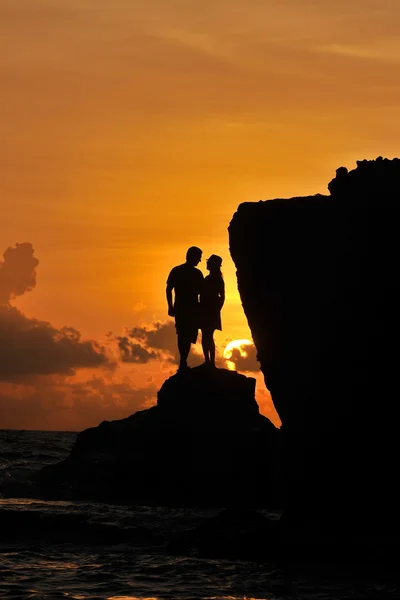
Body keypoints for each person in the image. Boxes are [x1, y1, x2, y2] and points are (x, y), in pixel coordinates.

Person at [166, 246, 204, 371]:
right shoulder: (181, 271)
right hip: (185, 308)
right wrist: (170, 306)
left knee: (185, 335)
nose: (199, 261)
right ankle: (183, 362)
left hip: (189, 308)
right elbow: (169, 289)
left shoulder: (182, 271)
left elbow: (202, 292)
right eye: (198, 258)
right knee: (184, 335)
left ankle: (183, 361)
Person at [200, 254, 225, 367]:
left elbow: (222, 296)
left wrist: (216, 308)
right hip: (206, 309)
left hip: (210, 309)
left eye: (209, 262)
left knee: (207, 335)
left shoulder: (215, 278)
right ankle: (208, 361)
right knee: (207, 335)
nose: (207, 263)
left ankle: (210, 362)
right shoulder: (210, 278)